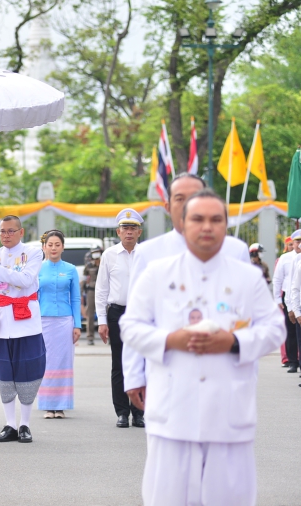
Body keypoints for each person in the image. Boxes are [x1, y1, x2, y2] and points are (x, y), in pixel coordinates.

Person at [120, 189, 284, 506]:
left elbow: (275, 328)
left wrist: (234, 342)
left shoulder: (247, 277)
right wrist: (170, 340)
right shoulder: (158, 273)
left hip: (228, 414)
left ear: (225, 225)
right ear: (183, 222)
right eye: (198, 219)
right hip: (172, 413)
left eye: (216, 219)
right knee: (167, 498)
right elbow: (130, 325)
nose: (207, 226)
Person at [123, 173, 250, 411]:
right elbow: (136, 319)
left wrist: (235, 344)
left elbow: (252, 320)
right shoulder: (149, 253)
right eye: (180, 198)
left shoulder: (236, 250)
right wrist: (134, 376)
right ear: (167, 205)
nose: (188, 205)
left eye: (196, 197)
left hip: (223, 372)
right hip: (168, 372)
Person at [0, 215, 45, 444]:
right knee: (4, 375)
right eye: (2, 232)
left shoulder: (34, 252)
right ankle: (9, 424)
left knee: (27, 374)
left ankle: (25, 425)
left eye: (10, 231)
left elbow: (26, 280)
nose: (5, 235)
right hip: (2, 325)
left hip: (26, 323)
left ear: (21, 232)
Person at [95, 208, 145, 428]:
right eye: (125, 228)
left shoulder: (146, 255)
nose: (129, 232)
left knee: (141, 363)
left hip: (141, 314)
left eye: (133, 228)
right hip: (117, 313)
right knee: (119, 363)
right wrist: (102, 321)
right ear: (118, 231)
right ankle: (122, 412)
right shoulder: (109, 255)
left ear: (139, 232)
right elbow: (101, 290)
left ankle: (140, 412)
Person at [37, 230, 81, 419]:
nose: (53, 248)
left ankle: (61, 406)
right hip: (43, 321)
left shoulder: (71, 269)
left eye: (57, 244)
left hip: (65, 321)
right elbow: (34, 297)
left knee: (63, 362)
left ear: (63, 247)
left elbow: (77, 299)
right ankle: (48, 405)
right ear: (44, 247)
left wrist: (77, 325)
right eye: (50, 244)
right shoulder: (37, 269)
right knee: (45, 362)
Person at [274, 232, 300, 371]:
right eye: (296, 241)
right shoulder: (286, 258)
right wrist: (278, 299)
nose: (298, 244)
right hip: (289, 296)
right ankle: (293, 361)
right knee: (290, 330)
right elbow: (279, 280)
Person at [83, 247, 102, 345]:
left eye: (97, 253)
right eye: (94, 253)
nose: (96, 255)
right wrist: (81, 292)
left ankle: (109, 336)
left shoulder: (104, 264)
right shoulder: (89, 266)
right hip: (91, 291)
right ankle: (90, 337)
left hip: (103, 291)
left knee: (106, 313)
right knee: (90, 314)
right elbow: (84, 278)